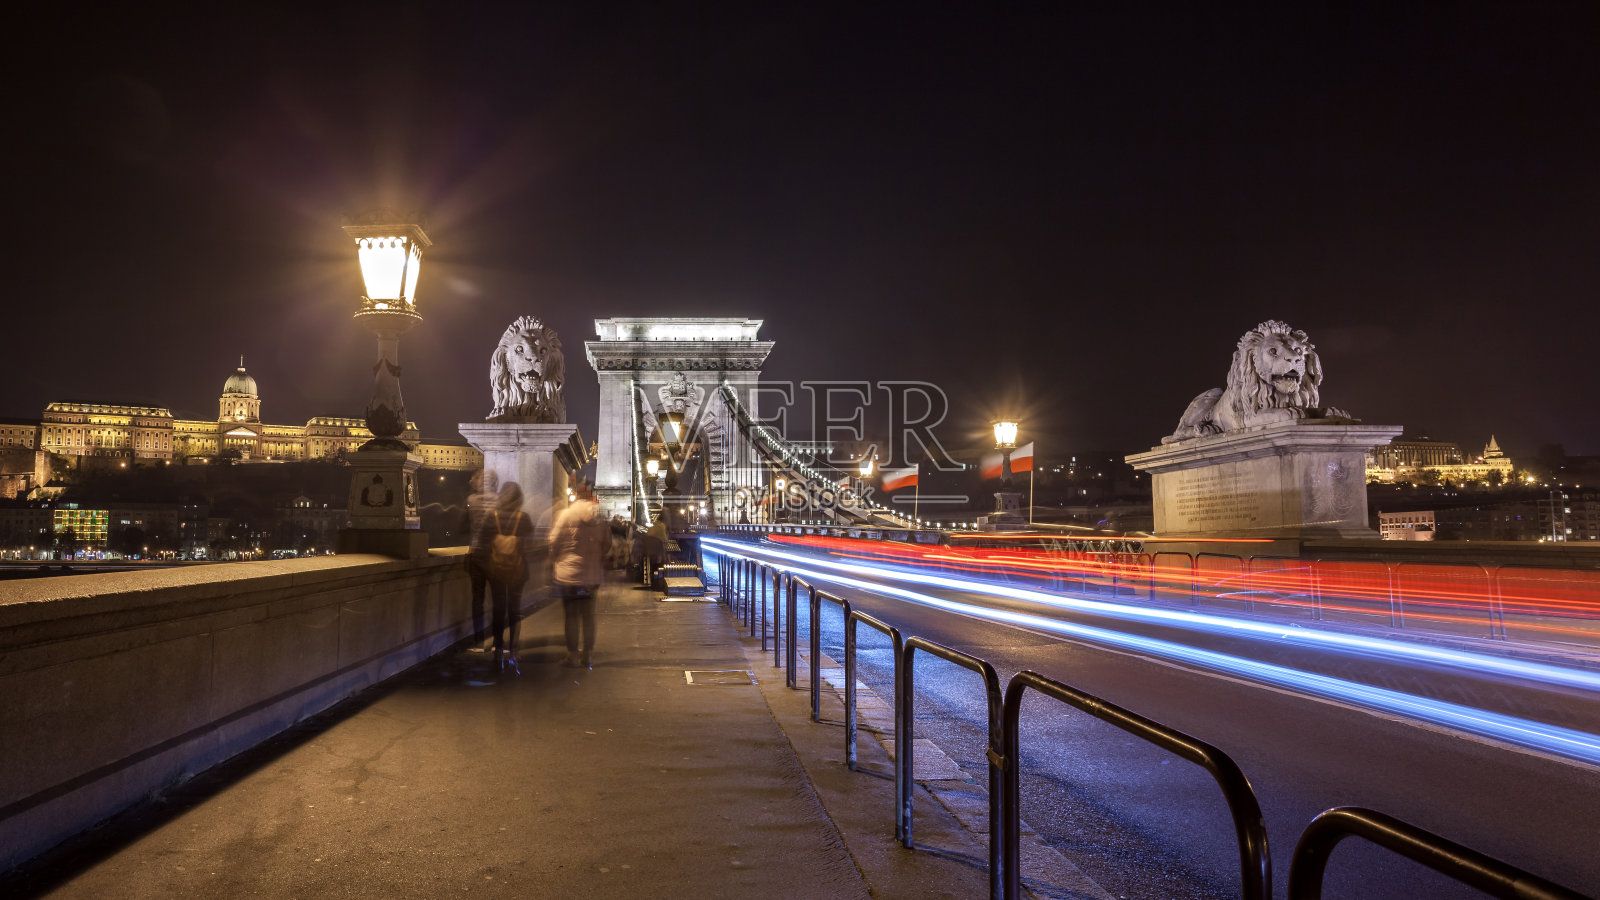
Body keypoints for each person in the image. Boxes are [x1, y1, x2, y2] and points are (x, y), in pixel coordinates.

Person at [549, 480, 611, 668]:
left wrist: (560, 558)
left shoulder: (566, 515)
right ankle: (588, 656)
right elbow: (607, 545)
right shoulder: (600, 519)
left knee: (571, 616)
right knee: (588, 617)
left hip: (568, 576)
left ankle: (572, 655)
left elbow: (553, 543)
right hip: (591, 576)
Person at [476, 481, 534, 676]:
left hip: (497, 572)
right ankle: (514, 650)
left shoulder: (491, 518)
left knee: (498, 609)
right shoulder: (524, 518)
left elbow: (482, 547)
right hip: (517, 571)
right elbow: (530, 546)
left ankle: (498, 649)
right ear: (519, 498)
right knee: (514, 610)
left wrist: (490, 568)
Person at [460, 469, 499, 649]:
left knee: (478, 599)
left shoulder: (471, 501)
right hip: (495, 555)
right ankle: (498, 641)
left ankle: (479, 641)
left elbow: (462, 527)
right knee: (498, 599)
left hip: (476, 554)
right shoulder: (499, 502)